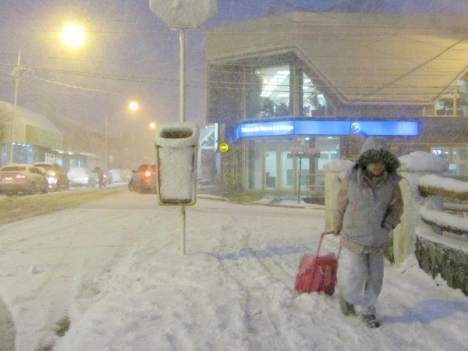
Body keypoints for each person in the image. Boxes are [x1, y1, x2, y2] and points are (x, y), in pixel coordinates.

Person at [333, 137, 403, 328]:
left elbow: (397, 207)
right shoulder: (352, 180)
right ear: (365, 161)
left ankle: (369, 311)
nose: (377, 165)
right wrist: (336, 224)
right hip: (354, 234)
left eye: (381, 161)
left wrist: (388, 225)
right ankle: (348, 298)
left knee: (376, 276)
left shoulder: (391, 184)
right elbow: (341, 203)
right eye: (373, 161)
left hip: (377, 236)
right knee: (360, 272)